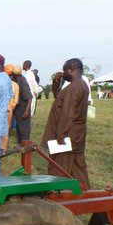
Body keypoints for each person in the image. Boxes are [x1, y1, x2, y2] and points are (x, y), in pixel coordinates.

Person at [42, 58, 90, 188]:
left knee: (59, 168)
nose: (63, 73)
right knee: (77, 167)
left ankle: (59, 196)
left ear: (71, 69)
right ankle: (85, 194)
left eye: (65, 70)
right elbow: (60, 99)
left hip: (68, 135)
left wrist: (60, 136)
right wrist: (56, 82)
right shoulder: (78, 85)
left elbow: (67, 114)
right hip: (76, 134)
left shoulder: (75, 87)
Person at [11, 65, 32, 145]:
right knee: (19, 129)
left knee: (24, 130)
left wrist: (26, 111)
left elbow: (29, 97)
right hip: (18, 110)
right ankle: (20, 145)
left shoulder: (23, 82)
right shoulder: (16, 80)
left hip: (24, 109)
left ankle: (25, 146)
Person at [1, 64, 20, 151]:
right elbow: (15, 101)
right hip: (8, 110)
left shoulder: (0, 83)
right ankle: (3, 148)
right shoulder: (15, 85)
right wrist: (10, 107)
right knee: (6, 129)